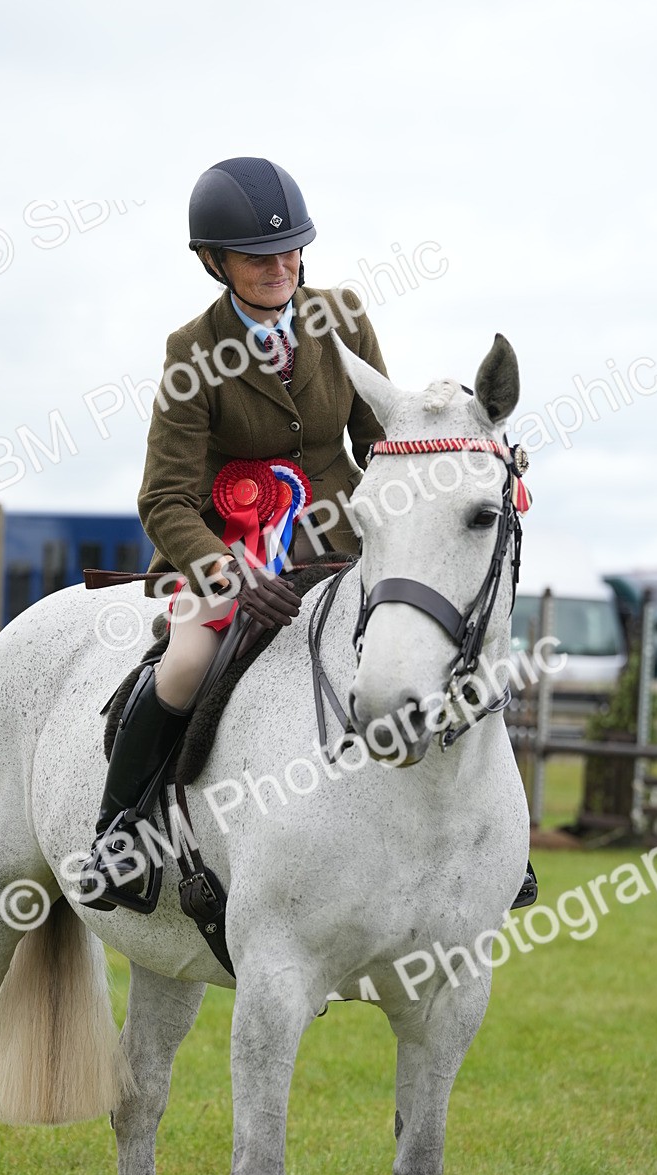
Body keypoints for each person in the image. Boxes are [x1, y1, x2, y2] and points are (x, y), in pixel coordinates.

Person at [79, 157, 388, 909]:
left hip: (345, 545)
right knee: (186, 660)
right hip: (232, 555)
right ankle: (119, 834)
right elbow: (164, 498)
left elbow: (381, 442)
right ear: (216, 261)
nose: (281, 267)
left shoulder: (340, 315)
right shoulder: (192, 350)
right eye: (258, 256)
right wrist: (227, 572)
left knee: (431, 637)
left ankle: (488, 847)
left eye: (291, 251)